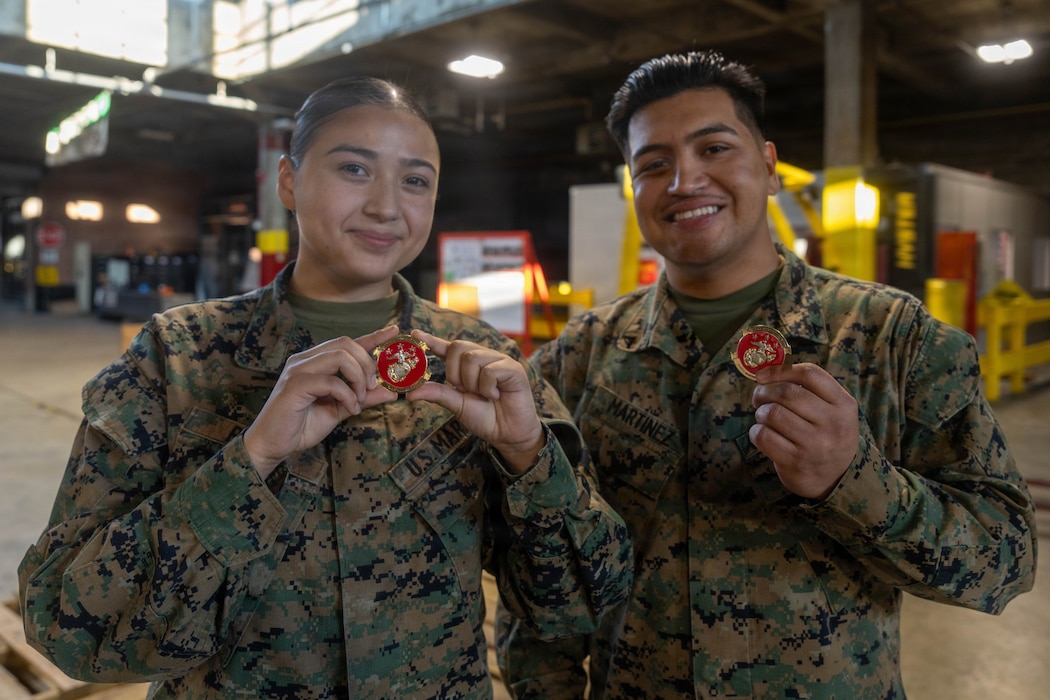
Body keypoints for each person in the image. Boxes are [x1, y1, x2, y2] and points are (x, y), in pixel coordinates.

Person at [19, 76, 632, 699]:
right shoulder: (178, 359)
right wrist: (252, 460)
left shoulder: (482, 366)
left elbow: (579, 601)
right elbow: (69, 626)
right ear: (288, 181)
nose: (387, 206)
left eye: (415, 181)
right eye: (355, 169)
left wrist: (531, 457)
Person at [497, 50, 1037, 698]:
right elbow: (539, 573)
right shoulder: (578, 358)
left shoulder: (895, 340)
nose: (684, 180)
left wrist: (855, 482)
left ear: (771, 168)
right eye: (654, 164)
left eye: (715, 148)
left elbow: (1005, 561)